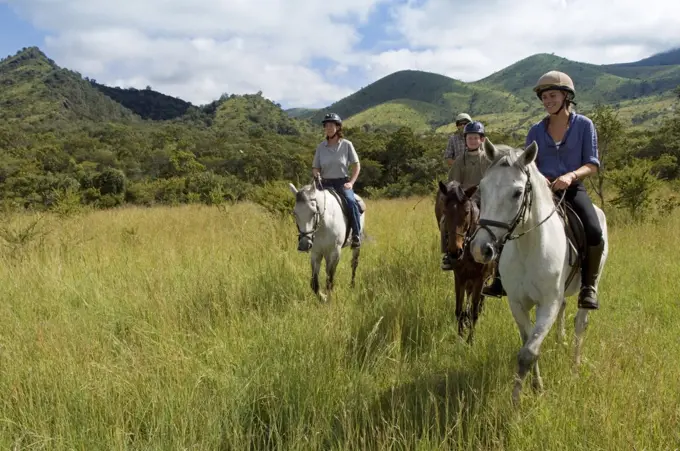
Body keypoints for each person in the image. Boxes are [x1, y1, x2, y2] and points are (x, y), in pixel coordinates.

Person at [509, 70, 604, 309]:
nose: (548, 101)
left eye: (552, 95)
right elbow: (528, 166)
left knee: (594, 230)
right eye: (544, 97)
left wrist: (571, 175)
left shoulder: (584, 125)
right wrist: (542, 180)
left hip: (572, 189)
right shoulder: (535, 131)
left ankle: (588, 287)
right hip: (543, 191)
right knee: (507, 223)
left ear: (566, 96)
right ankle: (501, 279)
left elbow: (592, 164)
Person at [440, 121, 492, 270]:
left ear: (482, 139)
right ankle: (448, 255)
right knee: (445, 222)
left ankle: (499, 258)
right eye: (470, 138)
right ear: (465, 140)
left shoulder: (487, 160)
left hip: (484, 199)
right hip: (464, 200)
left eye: (476, 138)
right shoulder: (459, 161)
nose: (473, 141)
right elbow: (454, 183)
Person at [312, 112, 362, 248]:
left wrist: (351, 183)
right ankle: (308, 237)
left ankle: (356, 236)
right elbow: (315, 167)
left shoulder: (347, 145)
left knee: (351, 202)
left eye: (331, 125)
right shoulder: (321, 147)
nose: (328, 128)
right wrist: (317, 176)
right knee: (309, 205)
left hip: (342, 183)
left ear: (338, 127)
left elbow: (356, 165)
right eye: (326, 125)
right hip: (324, 183)